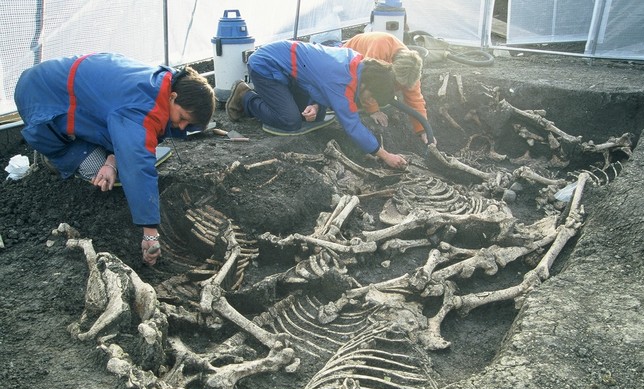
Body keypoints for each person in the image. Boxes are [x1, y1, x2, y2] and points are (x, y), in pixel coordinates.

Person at [14, 53, 215, 265]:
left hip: (54, 82)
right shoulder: (145, 108)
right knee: (96, 169)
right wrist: (150, 231)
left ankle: (70, 141)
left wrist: (112, 162)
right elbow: (137, 165)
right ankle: (55, 153)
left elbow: (124, 129)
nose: (182, 127)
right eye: (182, 118)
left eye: (188, 124)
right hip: (39, 96)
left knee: (112, 164)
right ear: (173, 97)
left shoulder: (163, 82)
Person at [225, 40, 407, 169]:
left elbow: (317, 79)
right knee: (290, 121)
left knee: (315, 116)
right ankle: (246, 97)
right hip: (267, 65)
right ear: (368, 83)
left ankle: (276, 99)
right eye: (371, 97)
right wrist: (385, 155)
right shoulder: (341, 81)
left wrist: (316, 105)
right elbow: (352, 125)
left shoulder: (357, 63)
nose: (369, 101)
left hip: (292, 73)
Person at [343, 32, 434, 145]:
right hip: (347, 66)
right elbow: (367, 80)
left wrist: (423, 130)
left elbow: (415, 99)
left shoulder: (411, 69)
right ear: (391, 68)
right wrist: (373, 110)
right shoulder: (380, 48)